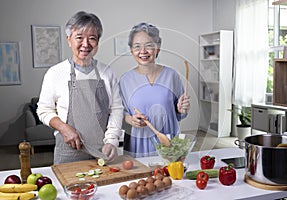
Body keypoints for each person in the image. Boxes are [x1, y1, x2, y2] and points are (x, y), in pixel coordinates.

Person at [37, 11, 123, 164]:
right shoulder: (55, 73)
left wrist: (111, 141)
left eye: (92, 38)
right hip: (69, 151)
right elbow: (44, 110)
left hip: (102, 151)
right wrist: (64, 128)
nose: (85, 44)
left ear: (98, 42)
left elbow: (116, 109)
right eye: (79, 37)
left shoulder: (106, 72)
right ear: (68, 39)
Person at [119, 22, 190, 158]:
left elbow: (180, 114)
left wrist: (182, 109)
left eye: (149, 45)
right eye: (137, 46)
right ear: (131, 50)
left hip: (169, 144)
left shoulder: (171, 75)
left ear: (158, 48)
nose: (143, 51)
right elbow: (120, 115)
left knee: (171, 178)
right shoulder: (125, 80)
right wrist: (131, 120)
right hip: (138, 145)